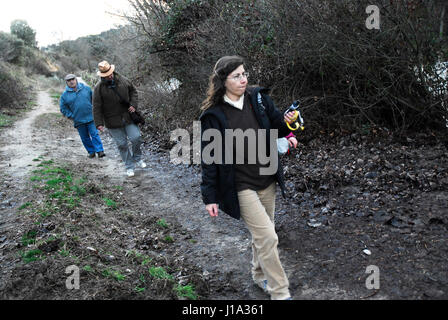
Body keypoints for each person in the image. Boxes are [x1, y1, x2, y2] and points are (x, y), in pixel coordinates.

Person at [199, 56, 298, 300]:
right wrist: (209, 196)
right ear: (223, 81)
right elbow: (209, 158)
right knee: (268, 236)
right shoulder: (214, 115)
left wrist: (289, 130)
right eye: (237, 76)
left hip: (266, 176)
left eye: (245, 74)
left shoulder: (258, 98)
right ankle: (280, 292)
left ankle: (257, 273)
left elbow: (275, 122)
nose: (243, 79)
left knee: (263, 234)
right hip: (240, 184)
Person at [92, 61, 146, 177]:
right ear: (102, 76)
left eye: (110, 73)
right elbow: (96, 106)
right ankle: (129, 166)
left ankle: (137, 158)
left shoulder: (123, 80)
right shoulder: (98, 88)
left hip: (128, 117)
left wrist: (133, 105)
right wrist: (99, 123)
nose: (109, 76)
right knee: (122, 144)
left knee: (136, 137)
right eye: (106, 75)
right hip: (112, 121)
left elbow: (133, 92)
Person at [60, 74, 105, 159]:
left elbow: (94, 101)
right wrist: (71, 115)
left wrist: (96, 112)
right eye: (69, 80)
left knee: (94, 134)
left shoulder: (86, 89)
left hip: (91, 117)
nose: (71, 81)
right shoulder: (64, 95)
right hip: (78, 120)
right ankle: (91, 152)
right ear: (66, 82)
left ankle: (100, 151)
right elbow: (63, 108)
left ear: (76, 79)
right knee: (85, 137)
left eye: (72, 79)